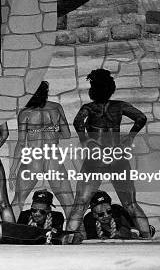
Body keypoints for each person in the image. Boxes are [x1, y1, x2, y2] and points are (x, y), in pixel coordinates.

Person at [65, 69, 152, 241]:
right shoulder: (119, 106)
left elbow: (77, 123)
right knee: (131, 204)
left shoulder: (89, 108)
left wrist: (87, 141)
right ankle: (148, 238)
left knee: (80, 203)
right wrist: (130, 137)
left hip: (96, 157)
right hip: (116, 156)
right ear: (110, 88)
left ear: (93, 90)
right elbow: (141, 118)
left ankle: (67, 239)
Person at [10, 81, 74, 219]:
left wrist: (12, 170)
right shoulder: (56, 108)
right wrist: (50, 131)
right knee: (68, 203)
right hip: (53, 158)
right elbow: (67, 134)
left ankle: (8, 232)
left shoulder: (25, 113)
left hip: (34, 158)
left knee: (18, 201)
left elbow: (21, 143)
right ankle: (76, 234)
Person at [83, 191, 153, 240]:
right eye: (101, 214)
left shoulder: (117, 211)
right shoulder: (89, 220)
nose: (106, 215)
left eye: (109, 211)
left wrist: (127, 233)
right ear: (94, 214)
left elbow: (134, 230)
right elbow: (92, 239)